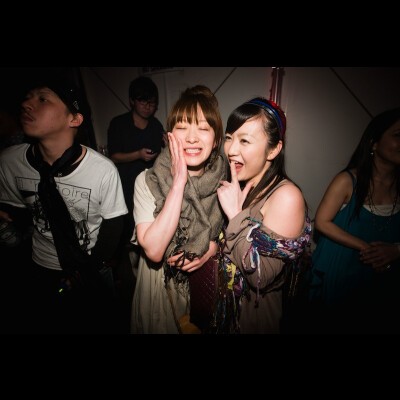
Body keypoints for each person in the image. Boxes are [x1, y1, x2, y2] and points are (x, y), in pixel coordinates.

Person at [0, 73, 128, 333]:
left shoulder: (102, 170)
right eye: (28, 97)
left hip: (91, 265)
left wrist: (89, 270)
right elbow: (19, 211)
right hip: (42, 266)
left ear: (74, 119)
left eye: (43, 99)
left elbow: (114, 226)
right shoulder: (9, 161)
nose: (27, 104)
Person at [130, 85, 226, 334]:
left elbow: (233, 237)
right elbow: (154, 250)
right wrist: (178, 183)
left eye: (203, 128)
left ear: (216, 140)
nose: (192, 138)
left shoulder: (226, 182)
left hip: (205, 287)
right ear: (169, 136)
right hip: (160, 289)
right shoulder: (148, 180)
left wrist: (212, 247)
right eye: (182, 127)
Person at [215, 97, 311, 334]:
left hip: (254, 318)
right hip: (227, 312)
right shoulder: (243, 185)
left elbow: (261, 276)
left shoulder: (287, 196)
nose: (231, 150)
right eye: (229, 138)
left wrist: (235, 216)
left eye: (244, 140)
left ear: (274, 149)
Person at [309, 108, 400, 334]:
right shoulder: (348, 180)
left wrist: (396, 250)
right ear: (374, 143)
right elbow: (322, 221)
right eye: (398, 135)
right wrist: (366, 248)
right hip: (342, 279)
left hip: (383, 288)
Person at [107, 76, 165, 248]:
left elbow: (162, 154)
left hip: (151, 185)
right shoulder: (119, 124)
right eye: (143, 101)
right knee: (128, 228)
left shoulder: (156, 125)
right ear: (132, 101)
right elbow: (114, 156)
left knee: (151, 224)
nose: (148, 107)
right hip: (126, 184)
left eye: (152, 103)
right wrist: (138, 154)